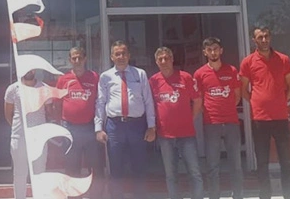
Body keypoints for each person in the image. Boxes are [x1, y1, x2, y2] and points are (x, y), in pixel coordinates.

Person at [240, 27, 290, 199]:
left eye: (266, 36)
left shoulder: (283, 59)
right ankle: (265, 195)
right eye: (260, 37)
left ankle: (288, 195)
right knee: (262, 162)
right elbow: (243, 89)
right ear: (254, 40)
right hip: (260, 119)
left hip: (280, 118)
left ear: (270, 38)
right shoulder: (248, 62)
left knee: (286, 161)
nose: (264, 40)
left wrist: (280, 101)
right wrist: (256, 101)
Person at [95, 40, 156, 199]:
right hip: (114, 127)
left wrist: (152, 126)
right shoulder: (105, 77)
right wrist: (98, 128)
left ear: (129, 55)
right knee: (116, 168)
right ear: (112, 57)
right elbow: (100, 102)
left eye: (123, 53)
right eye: (117, 54)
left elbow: (148, 101)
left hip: (137, 125)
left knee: (139, 166)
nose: (121, 57)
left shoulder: (140, 74)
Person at [149, 47, 203, 199]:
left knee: (194, 172)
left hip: (186, 135)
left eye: (167, 58)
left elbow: (197, 100)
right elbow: (149, 105)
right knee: (171, 175)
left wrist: (190, 118)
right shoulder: (153, 81)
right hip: (165, 136)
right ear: (156, 62)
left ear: (172, 59)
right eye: (160, 59)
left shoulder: (185, 77)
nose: (164, 61)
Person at [194, 38, 243, 199]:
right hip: (211, 124)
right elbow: (199, 100)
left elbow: (237, 96)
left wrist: (226, 109)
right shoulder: (199, 74)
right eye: (209, 49)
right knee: (212, 165)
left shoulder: (232, 70)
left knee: (235, 163)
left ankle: (238, 194)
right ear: (204, 52)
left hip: (231, 123)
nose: (213, 52)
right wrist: (211, 112)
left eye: (215, 49)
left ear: (221, 50)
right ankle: (214, 195)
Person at [51, 46, 103, 199]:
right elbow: (57, 103)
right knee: (72, 168)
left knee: (95, 167)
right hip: (70, 128)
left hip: (90, 128)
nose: (77, 60)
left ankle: (96, 196)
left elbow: (100, 101)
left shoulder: (94, 77)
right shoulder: (63, 80)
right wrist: (60, 125)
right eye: (74, 58)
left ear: (85, 59)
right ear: (70, 60)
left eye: (80, 57)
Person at [4, 69, 48, 199]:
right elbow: (8, 114)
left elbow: (50, 111)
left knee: (39, 173)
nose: (29, 71)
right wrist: (19, 128)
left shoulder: (44, 88)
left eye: (31, 68)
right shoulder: (13, 89)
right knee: (19, 174)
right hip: (19, 137)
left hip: (39, 137)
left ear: (35, 70)